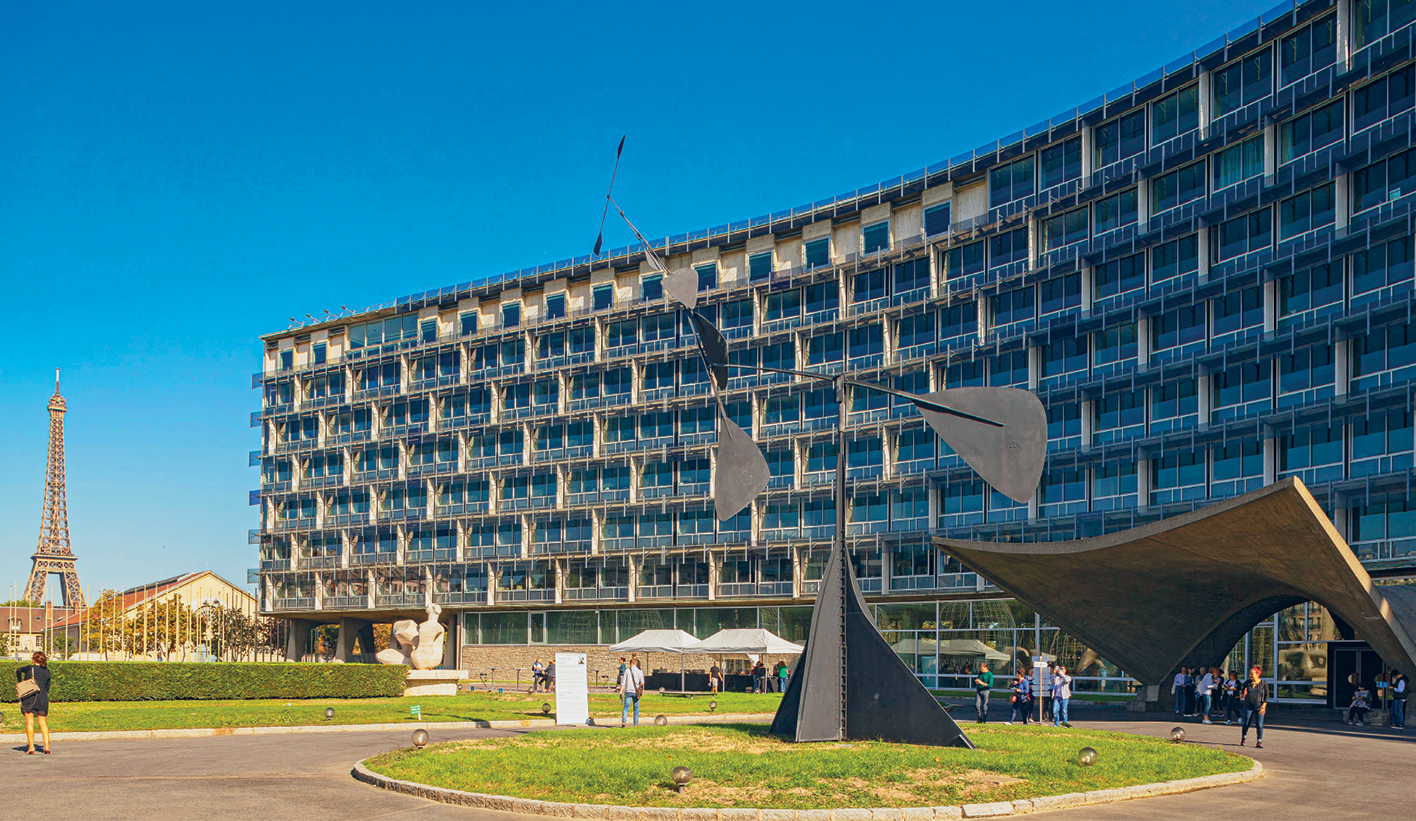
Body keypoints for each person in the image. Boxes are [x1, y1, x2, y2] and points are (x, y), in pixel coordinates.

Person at [17, 651, 52, 755]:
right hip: (42, 698)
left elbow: (18, 670)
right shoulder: (47, 672)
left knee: (30, 723)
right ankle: (47, 747)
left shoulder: (30, 668)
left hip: (29, 698)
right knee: (43, 723)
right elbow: (47, 687)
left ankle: (31, 747)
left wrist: (20, 682)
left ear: (34, 659)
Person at [1239, 665, 1267, 748]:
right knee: (1246, 722)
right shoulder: (1247, 683)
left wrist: (1263, 706)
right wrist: (1243, 694)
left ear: (1257, 674)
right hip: (1248, 706)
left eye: (1252, 674)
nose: (1250, 676)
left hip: (1259, 706)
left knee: (1259, 724)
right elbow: (1241, 695)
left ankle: (1259, 741)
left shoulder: (1263, 684)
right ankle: (1243, 738)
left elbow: (1266, 697)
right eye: (1250, 674)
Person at [620, 658, 645, 726]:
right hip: (635, 692)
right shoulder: (640, 672)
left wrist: (620, 691)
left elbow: (623, 682)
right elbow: (642, 682)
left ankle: (624, 721)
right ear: (636, 664)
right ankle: (635, 723)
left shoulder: (627, 671)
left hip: (628, 691)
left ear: (631, 663)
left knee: (626, 707)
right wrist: (638, 685)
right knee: (636, 708)